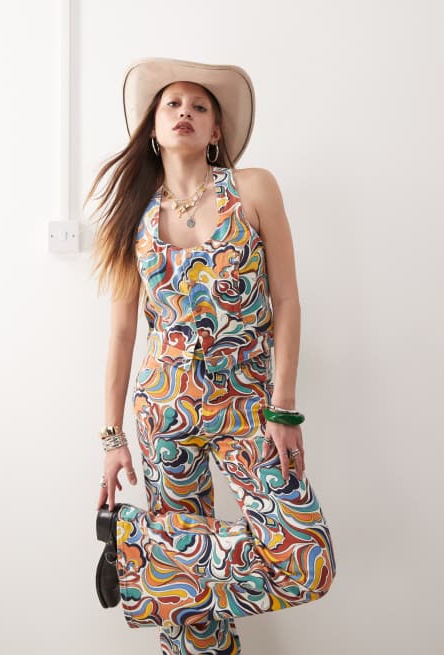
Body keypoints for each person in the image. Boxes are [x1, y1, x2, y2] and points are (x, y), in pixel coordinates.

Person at [84, 57, 337, 655]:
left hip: (250, 406)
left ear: (217, 130)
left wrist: (284, 407)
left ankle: (141, 560)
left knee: (306, 562)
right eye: (172, 104)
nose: (185, 113)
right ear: (153, 126)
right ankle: (156, 569)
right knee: (191, 614)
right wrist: (112, 437)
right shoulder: (132, 215)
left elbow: (286, 299)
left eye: (200, 107)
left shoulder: (253, 188)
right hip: (165, 410)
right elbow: (121, 335)